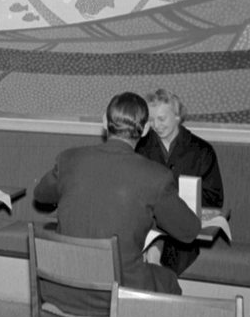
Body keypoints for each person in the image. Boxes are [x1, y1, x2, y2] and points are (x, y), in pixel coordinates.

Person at [33, 91, 201, 295]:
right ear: (146, 129)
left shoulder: (69, 159)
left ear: (105, 121)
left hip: (62, 287)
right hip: (119, 293)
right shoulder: (157, 176)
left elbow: (41, 195)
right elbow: (189, 231)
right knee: (168, 281)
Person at [134, 88, 224, 276]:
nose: (156, 125)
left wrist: (176, 197)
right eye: (151, 120)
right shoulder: (141, 148)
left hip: (182, 232)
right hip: (146, 225)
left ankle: (155, 264)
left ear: (177, 116)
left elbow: (214, 198)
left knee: (161, 258)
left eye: (162, 119)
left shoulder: (202, 151)